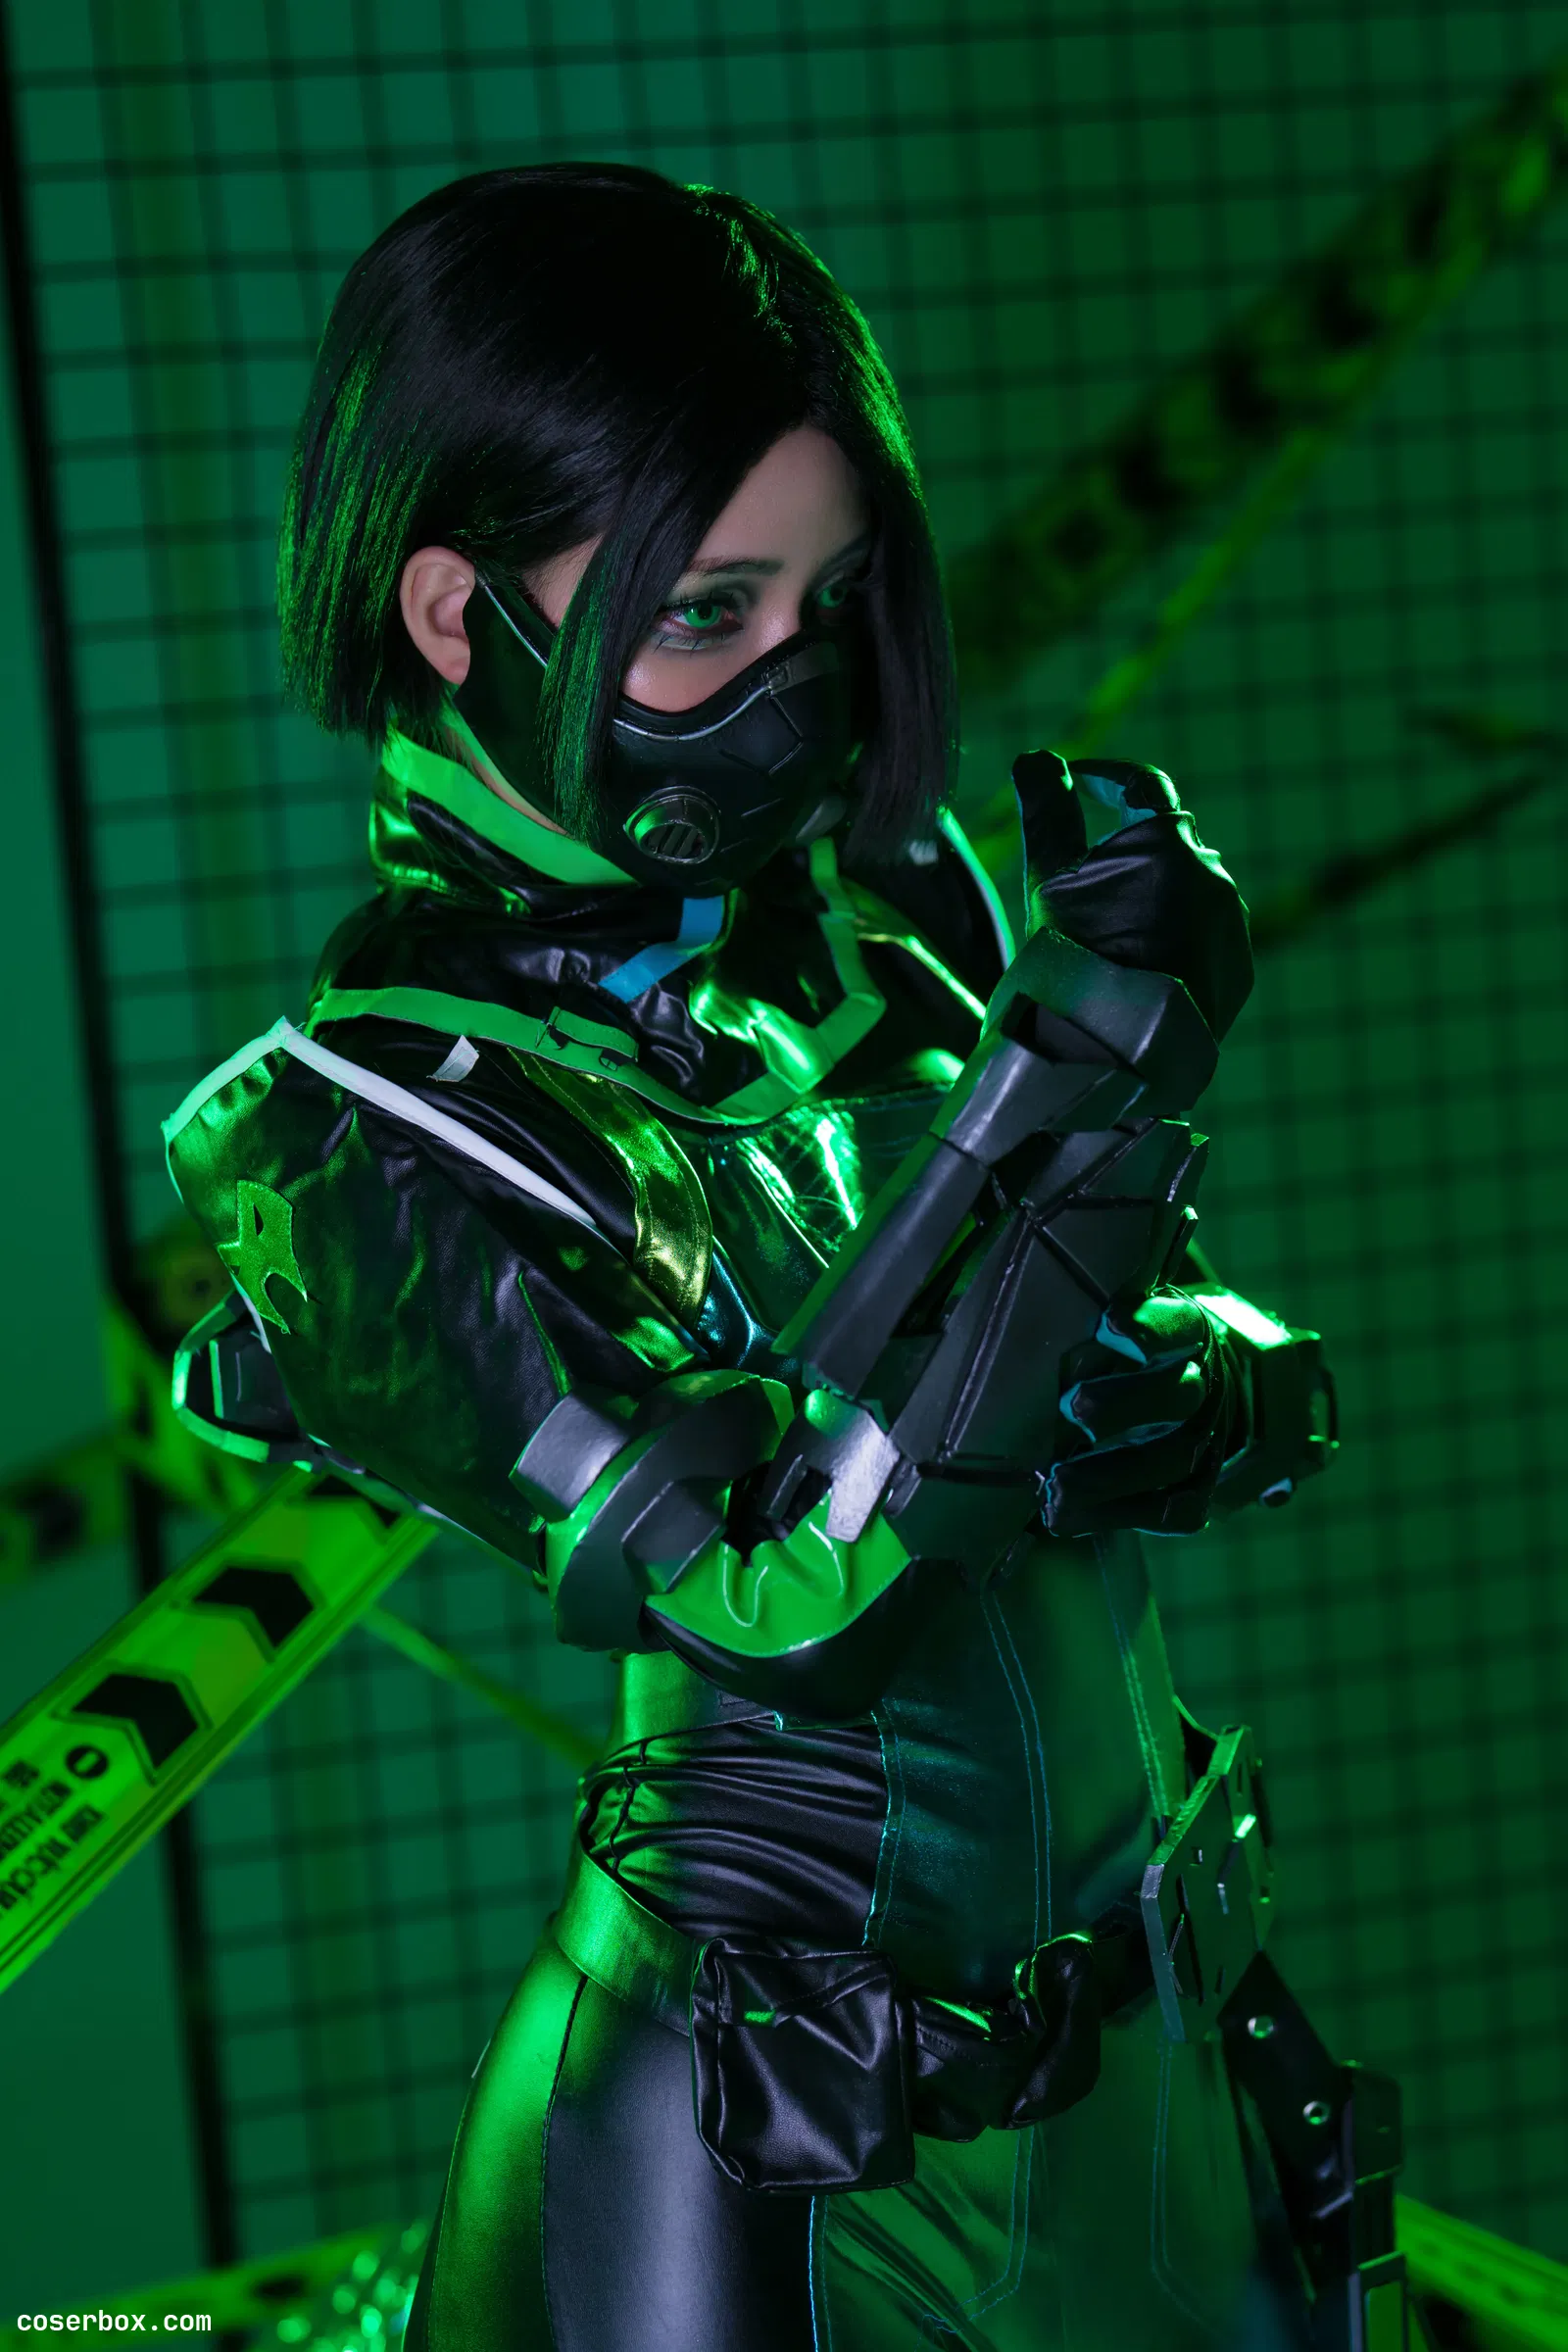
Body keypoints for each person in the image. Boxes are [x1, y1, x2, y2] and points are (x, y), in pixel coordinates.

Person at [163, 165, 1394, 2350]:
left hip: (1159, 2068)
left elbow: (1174, 1345)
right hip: (756, 2164)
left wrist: (1189, 1368)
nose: (794, 686)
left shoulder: (890, 929)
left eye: (827, 603)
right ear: (453, 614)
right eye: (706, 613)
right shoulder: (346, 1143)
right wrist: (1075, 1105)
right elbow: (771, 1595)